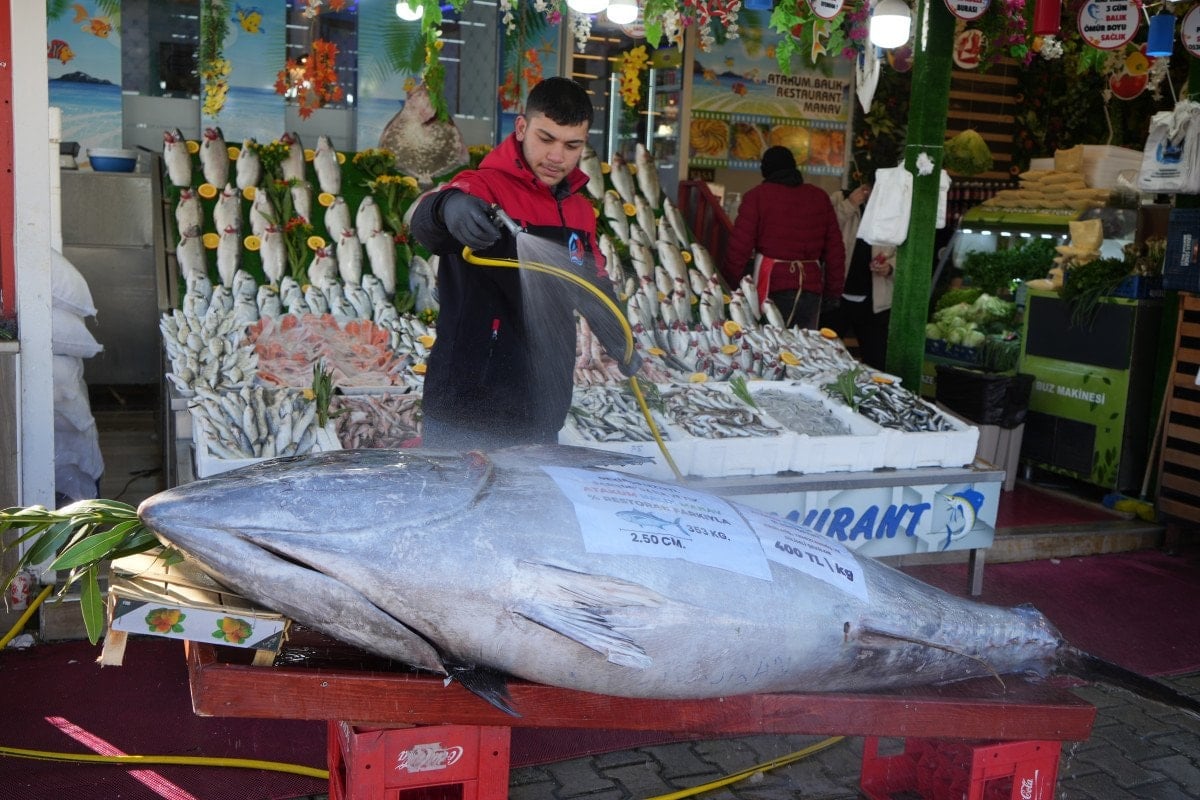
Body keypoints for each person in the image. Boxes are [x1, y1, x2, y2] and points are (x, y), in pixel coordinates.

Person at [410, 76, 640, 451]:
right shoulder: (483, 186)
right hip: (466, 409)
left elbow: (594, 283)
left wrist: (619, 338)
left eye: (572, 145)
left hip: (541, 411)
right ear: (521, 128)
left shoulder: (580, 211)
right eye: (545, 139)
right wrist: (447, 208)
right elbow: (427, 225)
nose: (556, 157)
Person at [722, 146, 845, 329]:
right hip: (811, 288)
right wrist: (833, 292)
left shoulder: (757, 197)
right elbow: (835, 250)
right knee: (804, 343)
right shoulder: (819, 197)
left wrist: (728, 285)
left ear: (766, 170)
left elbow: (739, 249)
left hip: (773, 286)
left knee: (770, 341)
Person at [830, 183, 896, 371]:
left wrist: (890, 267)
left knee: (876, 362)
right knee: (825, 355)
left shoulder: (894, 210)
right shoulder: (840, 199)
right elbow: (823, 229)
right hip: (837, 296)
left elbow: (904, 249)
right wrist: (849, 204)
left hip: (876, 300)